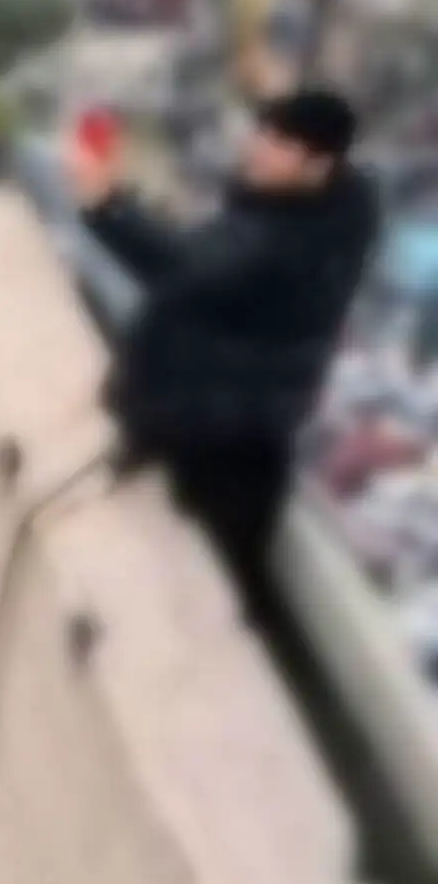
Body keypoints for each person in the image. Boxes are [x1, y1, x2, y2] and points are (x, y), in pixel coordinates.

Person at [66, 87, 378, 631]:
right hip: (222, 420)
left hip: (224, 435)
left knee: (230, 597)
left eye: (280, 141)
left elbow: (186, 269)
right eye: (265, 132)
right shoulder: (310, 215)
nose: (259, 147)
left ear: (318, 165)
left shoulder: (287, 240)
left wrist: (106, 205)